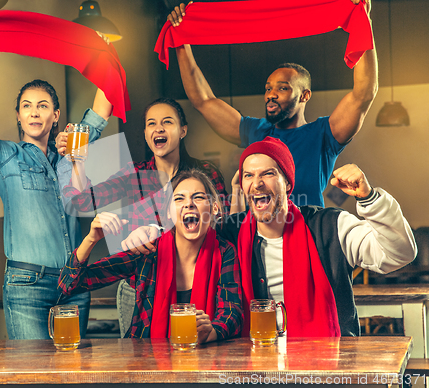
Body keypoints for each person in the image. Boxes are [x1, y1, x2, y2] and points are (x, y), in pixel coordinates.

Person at [122, 137, 417, 337]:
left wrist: (369, 197)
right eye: (248, 175)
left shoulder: (331, 226)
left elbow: (399, 254)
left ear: (287, 182)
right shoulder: (230, 231)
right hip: (253, 365)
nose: (256, 183)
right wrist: (151, 232)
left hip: (332, 365)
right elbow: (187, 237)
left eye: (268, 173)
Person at [167, 0, 378, 207]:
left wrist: (362, 22)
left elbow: (364, 93)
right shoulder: (256, 131)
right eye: (268, 88)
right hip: (265, 237)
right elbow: (203, 100)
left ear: (305, 96)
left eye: (282, 88)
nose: (271, 94)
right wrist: (181, 39)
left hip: (310, 233)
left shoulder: (323, 134)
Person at [0, 79, 113, 339]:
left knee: (73, 374)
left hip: (74, 285)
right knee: (33, 375)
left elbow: (102, 110)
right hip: (27, 286)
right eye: (27, 106)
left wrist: (106, 51)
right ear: (19, 115)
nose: (34, 112)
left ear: (55, 115)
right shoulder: (5, 155)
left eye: (43, 106)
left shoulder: (72, 151)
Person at [56, 97, 230, 336]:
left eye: (167, 122)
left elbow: (222, 226)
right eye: (151, 123)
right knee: (141, 356)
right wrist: (77, 160)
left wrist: (157, 231)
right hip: (140, 284)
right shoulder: (135, 174)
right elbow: (83, 201)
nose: (158, 128)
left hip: (194, 282)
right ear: (147, 134)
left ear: (183, 131)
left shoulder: (204, 174)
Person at [58, 169, 243, 341]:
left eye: (199, 197)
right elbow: (69, 284)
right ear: (168, 213)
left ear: (214, 208)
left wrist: (209, 332)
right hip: (147, 359)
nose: (189, 204)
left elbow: (232, 312)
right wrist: (91, 239)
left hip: (204, 359)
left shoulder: (225, 251)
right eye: (179, 199)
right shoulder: (148, 249)